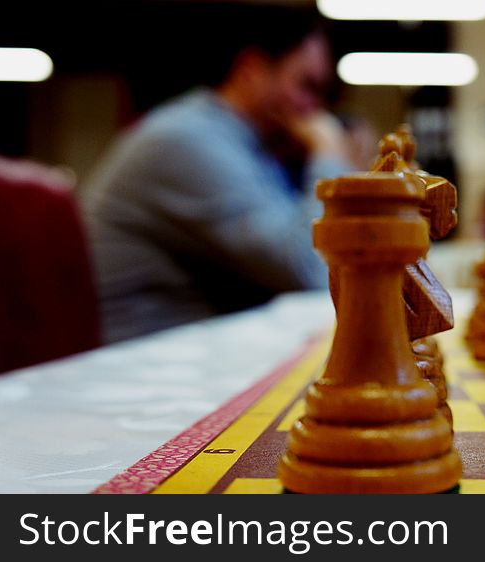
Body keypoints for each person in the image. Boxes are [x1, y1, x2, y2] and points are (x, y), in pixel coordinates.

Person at [80, 7, 351, 343]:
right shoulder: (188, 140)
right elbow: (314, 269)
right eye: (305, 85)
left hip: (187, 353)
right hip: (136, 365)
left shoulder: (245, 145)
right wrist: (328, 153)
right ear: (252, 70)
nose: (314, 109)